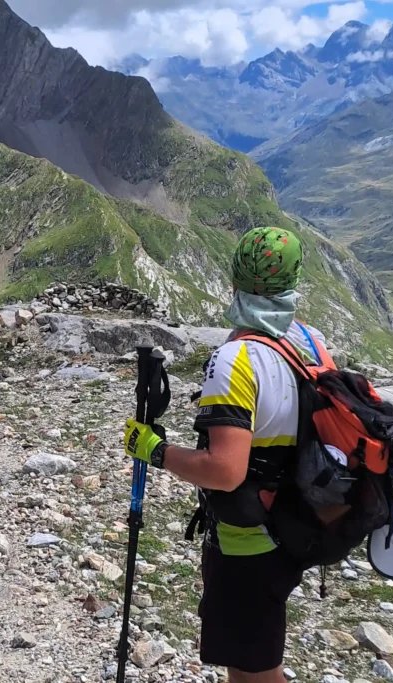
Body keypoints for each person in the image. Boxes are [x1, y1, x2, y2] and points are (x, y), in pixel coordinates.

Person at [123, 227, 320, 683]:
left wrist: (153, 449)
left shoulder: (237, 358)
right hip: (297, 525)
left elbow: (225, 472)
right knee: (260, 660)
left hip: (249, 541)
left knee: (251, 671)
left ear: (234, 280)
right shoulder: (310, 342)